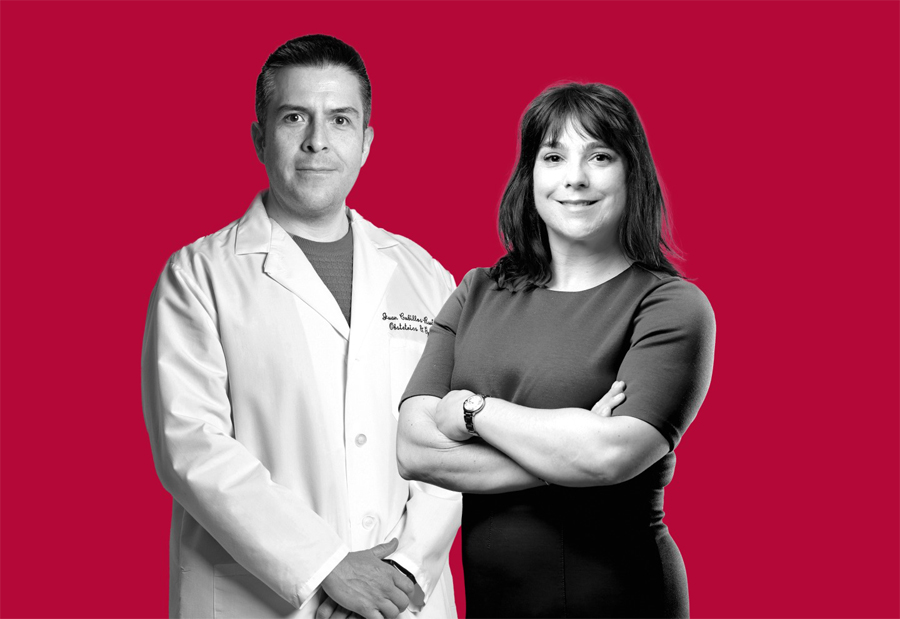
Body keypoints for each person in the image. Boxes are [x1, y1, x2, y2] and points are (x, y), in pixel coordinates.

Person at [141, 35, 461, 619]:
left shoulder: (427, 277)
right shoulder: (200, 275)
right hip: (261, 600)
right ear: (260, 135)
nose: (318, 141)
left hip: (404, 599)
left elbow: (450, 445)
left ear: (365, 143)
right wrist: (328, 568)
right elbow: (193, 447)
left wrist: (404, 567)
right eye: (295, 117)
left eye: (340, 119)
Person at [396, 82, 715, 618]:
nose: (575, 177)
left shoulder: (670, 305)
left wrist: (474, 412)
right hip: (498, 604)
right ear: (531, 176)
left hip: (623, 600)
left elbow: (608, 455)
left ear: (632, 172)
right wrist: (565, 449)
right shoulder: (476, 291)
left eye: (600, 156)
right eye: (553, 156)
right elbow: (414, 450)